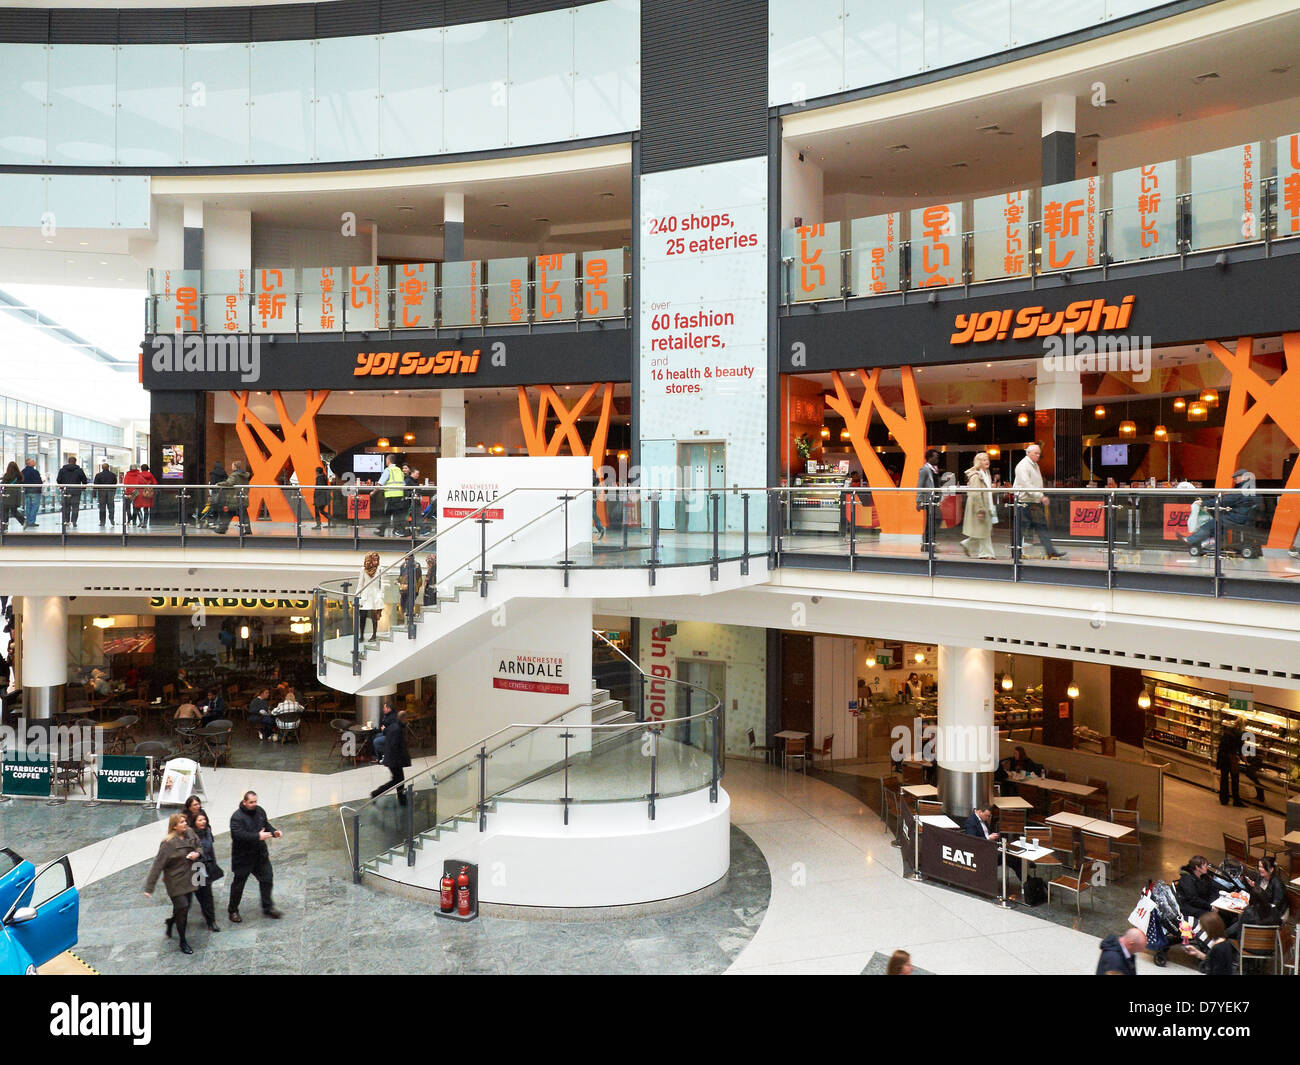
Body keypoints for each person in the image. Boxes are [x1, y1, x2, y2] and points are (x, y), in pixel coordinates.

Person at [143, 813, 203, 955]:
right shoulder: (168, 844)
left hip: (189, 877)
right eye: (181, 822)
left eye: (185, 821)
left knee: (183, 908)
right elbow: (157, 866)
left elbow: (199, 846)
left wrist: (197, 854)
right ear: (174, 826)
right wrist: (149, 888)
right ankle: (182, 941)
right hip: (175, 881)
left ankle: (171, 922)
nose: (185, 823)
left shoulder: (190, 833)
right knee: (183, 907)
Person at [227, 790, 282, 923]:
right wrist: (258, 836)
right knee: (238, 885)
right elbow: (239, 835)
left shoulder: (260, 811)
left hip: (259, 856)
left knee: (267, 879)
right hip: (243, 858)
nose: (254, 804)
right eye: (251, 802)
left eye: (255, 801)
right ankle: (233, 910)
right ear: (244, 802)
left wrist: (274, 832)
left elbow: (266, 825)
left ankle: (267, 907)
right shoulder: (236, 817)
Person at [1184, 469, 1259, 551]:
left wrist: (1204, 503)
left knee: (1214, 522)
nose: (1234, 480)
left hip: (1239, 517)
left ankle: (1191, 540)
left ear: (1244, 477)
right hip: (1245, 516)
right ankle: (1215, 543)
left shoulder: (1241, 490)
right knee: (1220, 523)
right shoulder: (1253, 488)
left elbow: (1225, 500)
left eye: (1236, 477)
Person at [1013, 444, 1066, 559]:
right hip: (1025, 502)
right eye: (1035, 453)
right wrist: (1040, 496)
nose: (1038, 456)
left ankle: (1050, 552)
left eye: (1039, 454)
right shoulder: (1023, 466)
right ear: (1028, 453)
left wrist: (1039, 497)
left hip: (1033, 502)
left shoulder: (1034, 465)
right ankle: (1015, 553)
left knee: (1041, 527)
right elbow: (1026, 485)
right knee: (1021, 529)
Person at [965, 803, 1019, 883]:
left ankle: (1026, 880)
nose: (988, 818)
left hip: (991, 847)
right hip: (982, 852)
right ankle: (1026, 881)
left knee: (1013, 857)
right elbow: (972, 840)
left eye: (989, 816)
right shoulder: (971, 822)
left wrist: (992, 837)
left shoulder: (983, 820)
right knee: (1010, 858)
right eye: (987, 816)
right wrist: (989, 838)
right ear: (980, 812)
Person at [189, 811, 223, 933]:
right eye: (199, 820)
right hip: (197, 867)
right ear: (194, 822)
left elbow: (210, 849)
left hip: (207, 865)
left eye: (204, 819)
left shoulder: (208, 830)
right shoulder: (191, 835)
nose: (203, 822)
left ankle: (211, 920)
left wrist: (213, 863)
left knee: (207, 894)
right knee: (199, 895)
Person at [369, 709, 411, 805]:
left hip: (392, 760)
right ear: (404, 719)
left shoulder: (394, 726)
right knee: (397, 780)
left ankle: (401, 799)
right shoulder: (398, 730)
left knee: (398, 780)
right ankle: (376, 793)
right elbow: (395, 746)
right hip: (394, 760)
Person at [961, 451, 997, 559]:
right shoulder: (976, 476)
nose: (987, 461)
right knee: (984, 531)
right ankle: (986, 554)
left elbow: (986, 491)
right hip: (981, 506)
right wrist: (980, 510)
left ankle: (968, 543)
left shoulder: (987, 474)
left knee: (984, 530)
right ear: (979, 462)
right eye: (984, 460)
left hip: (988, 505)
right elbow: (976, 494)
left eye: (988, 459)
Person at [915, 449, 940, 554]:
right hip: (928, 500)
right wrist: (919, 501)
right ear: (929, 458)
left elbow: (933, 483)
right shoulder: (924, 470)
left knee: (932, 523)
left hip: (934, 500)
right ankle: (927, 544)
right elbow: (920, 485)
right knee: (930, 523)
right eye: (935, 456)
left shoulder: (934, 469)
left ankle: (929, 544)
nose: (937, 458)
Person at [1217, 716, 1245, 807]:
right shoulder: (1240, 734)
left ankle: (1223, 799)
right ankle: (1236, 800)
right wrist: (1244, 759)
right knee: (1235, 779)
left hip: (1222, 756)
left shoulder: (1227, 729)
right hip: (1231, 758)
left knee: (1224, 778)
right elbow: (1241, 750)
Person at [357, 551, 384, 641]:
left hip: (375, 595)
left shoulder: (380, 569)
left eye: (377, 559)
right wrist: (357, 596)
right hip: (365, 595)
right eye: (374, 559)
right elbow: (360, 584)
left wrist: (381, 595)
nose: (376, 561)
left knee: (374, 617)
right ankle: (361, 635)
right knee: (362, 616)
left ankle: (374, 635)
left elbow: (382, 584)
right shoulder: (363, 569)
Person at [376, 455, 406, 536]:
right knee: (394, 513)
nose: (386, 461)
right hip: (399, 495)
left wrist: (373, 491)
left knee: (390, 513)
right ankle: (382, 529)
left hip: (391, 496)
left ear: (388, 461)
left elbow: (380, 483)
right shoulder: (399, 470)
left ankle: (398, 530)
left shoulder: (388, 470)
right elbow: (404, 483)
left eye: (386, 460)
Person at [56, 454, 89, 528]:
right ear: (75, 462)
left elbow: (58, 480)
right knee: (75, 507)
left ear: (68, 461)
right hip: (76, 491)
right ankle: (74, 521)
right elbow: (84, 480)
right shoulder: (79, 470)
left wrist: (62, 487)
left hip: (66, 491)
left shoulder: (62, 470)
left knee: (66, 506)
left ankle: (66, 521)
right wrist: (83, 488)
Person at [1, 461, 25, 530]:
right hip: (16, 495)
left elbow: (3, 484)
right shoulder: (19, 476)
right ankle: (23, 521)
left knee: (5, 511)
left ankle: (4, 527)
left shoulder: (7, 475)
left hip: (7, 495)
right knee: (14, 511)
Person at [92, 461, 117, 528]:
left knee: (102, 508)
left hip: (101, 493)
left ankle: (102, 522)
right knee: (111, 507)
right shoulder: (113, 475)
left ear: (102, 468)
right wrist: (114, 493)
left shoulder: (98, 475)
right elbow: (115, 485)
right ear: (108, 468)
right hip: (110, 492)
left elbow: (95, 485)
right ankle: (112, 519)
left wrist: (94, 494)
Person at [134, 463, 158, 529]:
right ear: (148, 469)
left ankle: (141, 521)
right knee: (146, 509)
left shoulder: (139, 475)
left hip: (140, 493)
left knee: (138, 508)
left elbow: (136, 484)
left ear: (141, 469)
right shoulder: (151, 475)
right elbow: (155, 484)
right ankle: (145, 523)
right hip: (148, 493)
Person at [21, 457, 43, 529]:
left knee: (28, 506)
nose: (34, 462)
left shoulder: (23, 471)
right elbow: (39, 482)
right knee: (34, 506)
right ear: (29, 463)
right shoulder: (35, 472)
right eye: (33, 461)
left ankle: (27, 521)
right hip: (36, 491)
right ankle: (31, 521)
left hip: (27, 491)